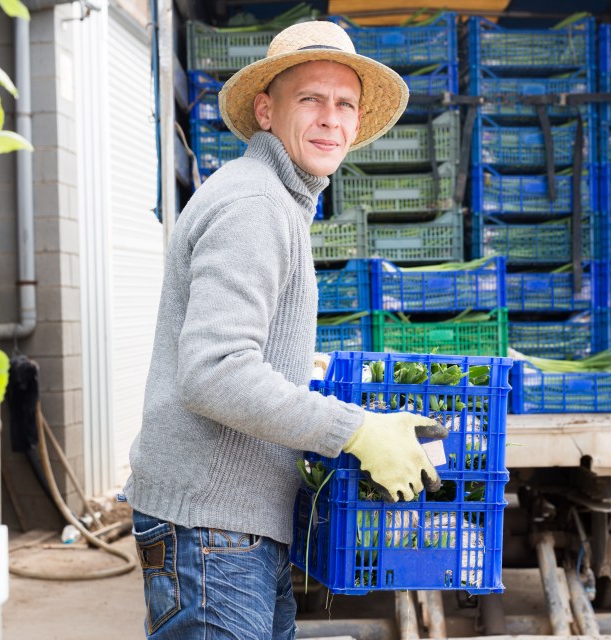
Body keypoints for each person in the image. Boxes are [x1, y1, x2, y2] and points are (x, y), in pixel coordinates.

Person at [122, 20, 447, 639]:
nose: (331, 118)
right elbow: (214, 373)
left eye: (344, 104)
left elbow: (248, 347)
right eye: (311, 100)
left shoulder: (277, 200)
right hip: (213, 534)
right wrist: (351, 429)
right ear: (266, 112)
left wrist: (314, 379)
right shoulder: (255, 206)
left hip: (231, 530)